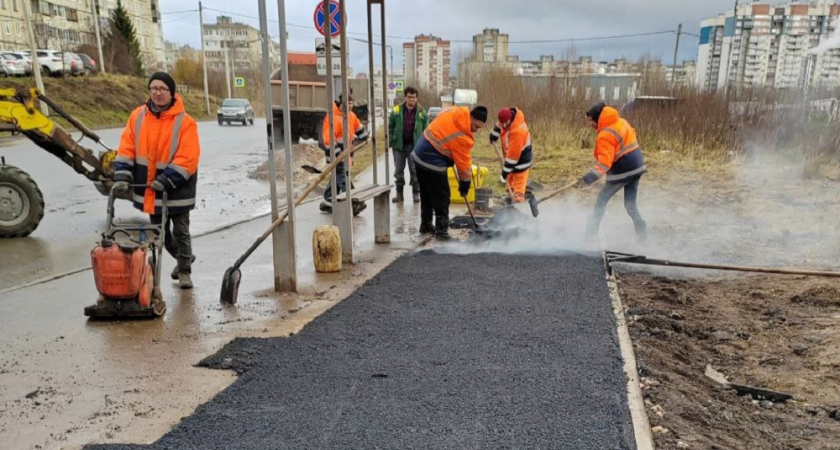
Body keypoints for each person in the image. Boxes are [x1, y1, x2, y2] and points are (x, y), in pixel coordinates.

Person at [113, 72, 201, 290]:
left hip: (177, 188)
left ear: (172, 93)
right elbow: (126, 148)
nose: (158, 93)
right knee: (159, 232)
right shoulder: (137, 116)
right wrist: (123, 175)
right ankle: (184, 257)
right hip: (151, 188)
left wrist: (167, 178)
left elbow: (188, 158)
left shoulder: (185, 122)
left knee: (181, 231)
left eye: (162, 89)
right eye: (154, 88)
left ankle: (184, 272)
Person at [412, 105, 488, 239]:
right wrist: (465, 184)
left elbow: (440, 118)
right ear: (471, 117)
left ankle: (426, 225)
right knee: (442, 197)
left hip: (418, 153)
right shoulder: (463, 137)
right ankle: (442, 232)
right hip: (431, 159)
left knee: (427, 194)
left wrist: (447, 149)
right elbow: (464, 167)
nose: (476, 130)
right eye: (476, 126)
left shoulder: (455, 111)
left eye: (479, 128)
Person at [580, 102, 647, 242]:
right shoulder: (621, 121)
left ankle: (590, 234)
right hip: (637, 166)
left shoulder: (605, 134)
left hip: (624, 169)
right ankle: (642, 235)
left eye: (591, 120)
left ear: (598, 118)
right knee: (630, 204)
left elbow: (604, 164)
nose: (590, 124)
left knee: (602, 198)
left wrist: (588, 178)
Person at [319, 93, 370, 215]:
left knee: (337, 177)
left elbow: (358, 128)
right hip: (336, 155)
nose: (350, 106)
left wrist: (365, 136)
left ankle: (328, 201)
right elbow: (328, 139)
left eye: (352, 103)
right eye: (348, 104)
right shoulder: (332, 117)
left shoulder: (351, 115)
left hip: (346, 155)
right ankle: (355, 202)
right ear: (342, 104)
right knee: (343, 178)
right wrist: (338, 154)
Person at [388, 86, 429, 203]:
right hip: (399, 146)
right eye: (410, 97)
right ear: (405, 97)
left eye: (414, 97)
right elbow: (390, 127)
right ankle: (399, 194)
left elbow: (426, 130)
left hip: (414, 147)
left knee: (415, 170)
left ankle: (416, 193)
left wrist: (423, 145)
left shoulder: (421, 112)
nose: (412, 99)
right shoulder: (397, 110)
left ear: (417, 98)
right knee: (398, 171)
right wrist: (392, 140)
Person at [489, 107, 535, 208]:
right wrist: (494, 134)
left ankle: (518, 207)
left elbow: (513, 157)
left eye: (505, 123)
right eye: (502, 123)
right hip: (510, 160)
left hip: (522, 162)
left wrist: (505, 172)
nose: (504, 126)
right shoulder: (505, 119)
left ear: (510, 119)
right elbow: (499, 125)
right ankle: (509, 201)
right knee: (509, 184)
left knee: (518, 190)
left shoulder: (518, 131)